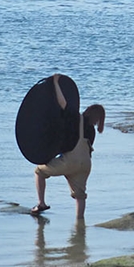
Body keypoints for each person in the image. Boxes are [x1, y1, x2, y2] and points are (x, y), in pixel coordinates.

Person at [30, 74, 105, 219]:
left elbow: (62, 103)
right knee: (80, 195)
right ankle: (80, 223)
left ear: (88, 110)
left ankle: (41, 203)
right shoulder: (92, 131)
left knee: (39, 171)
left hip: (70, 161)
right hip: (86, 165)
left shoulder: (76, 118)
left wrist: (56, 83)